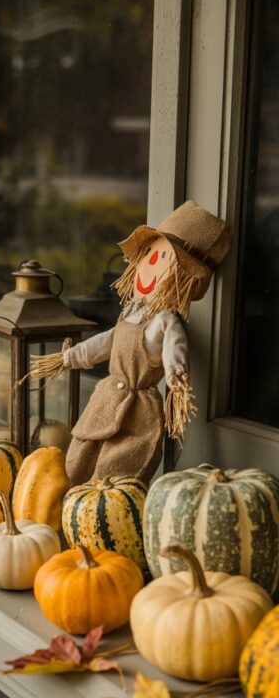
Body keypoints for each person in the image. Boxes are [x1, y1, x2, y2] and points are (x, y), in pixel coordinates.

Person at [26, 201, 232, 485]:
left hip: (139, 411)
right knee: (78, 456)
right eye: (149, 255)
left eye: (163, 261)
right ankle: (73, 503)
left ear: (181, 280)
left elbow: (175, 352)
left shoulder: (164, 322)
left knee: (118, 469)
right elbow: (105, 342)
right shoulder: (130, 313)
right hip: (105, 399)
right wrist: (68, 358)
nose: (150, 267)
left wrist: (178, 383)